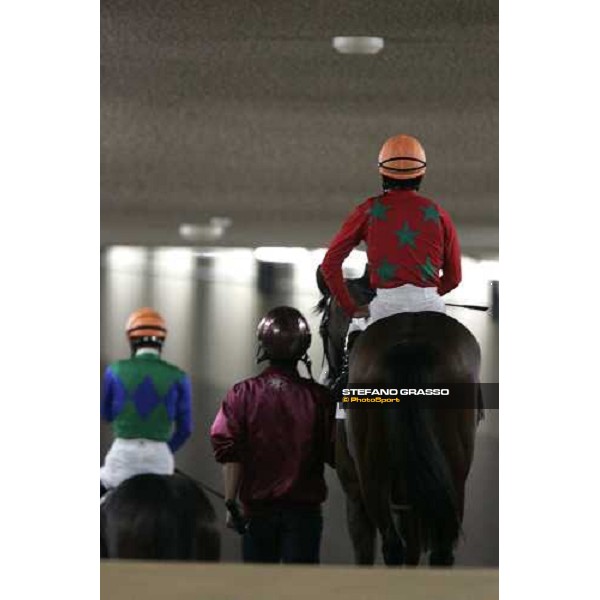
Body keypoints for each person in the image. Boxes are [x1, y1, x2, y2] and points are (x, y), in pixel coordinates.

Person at [320, 134, 463, 400]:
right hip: (431, 307)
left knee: (346, 373)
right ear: (421, 174)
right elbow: (454, 277)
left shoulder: (369, 210)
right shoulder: (439, 213)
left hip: (385, 308)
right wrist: (428, 293)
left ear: (382, 174)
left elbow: (330, 264)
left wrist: (351, 308)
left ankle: (342, 419)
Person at [210, 306, 335, 564]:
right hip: (305, 515)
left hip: (257, 513)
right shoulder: (320, 398)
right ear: (303, 347)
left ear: (263, 345)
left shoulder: (241, 393)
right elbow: (336, 454)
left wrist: (231, 503)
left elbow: (229, 451)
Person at [100, 308, 192, 495]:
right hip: (160, 460)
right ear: (161, 341)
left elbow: (106, 414)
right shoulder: (179, 376)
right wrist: (163, 448)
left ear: (131, 340)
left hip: (123, 457)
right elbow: (186, 429)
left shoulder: (114, 370)